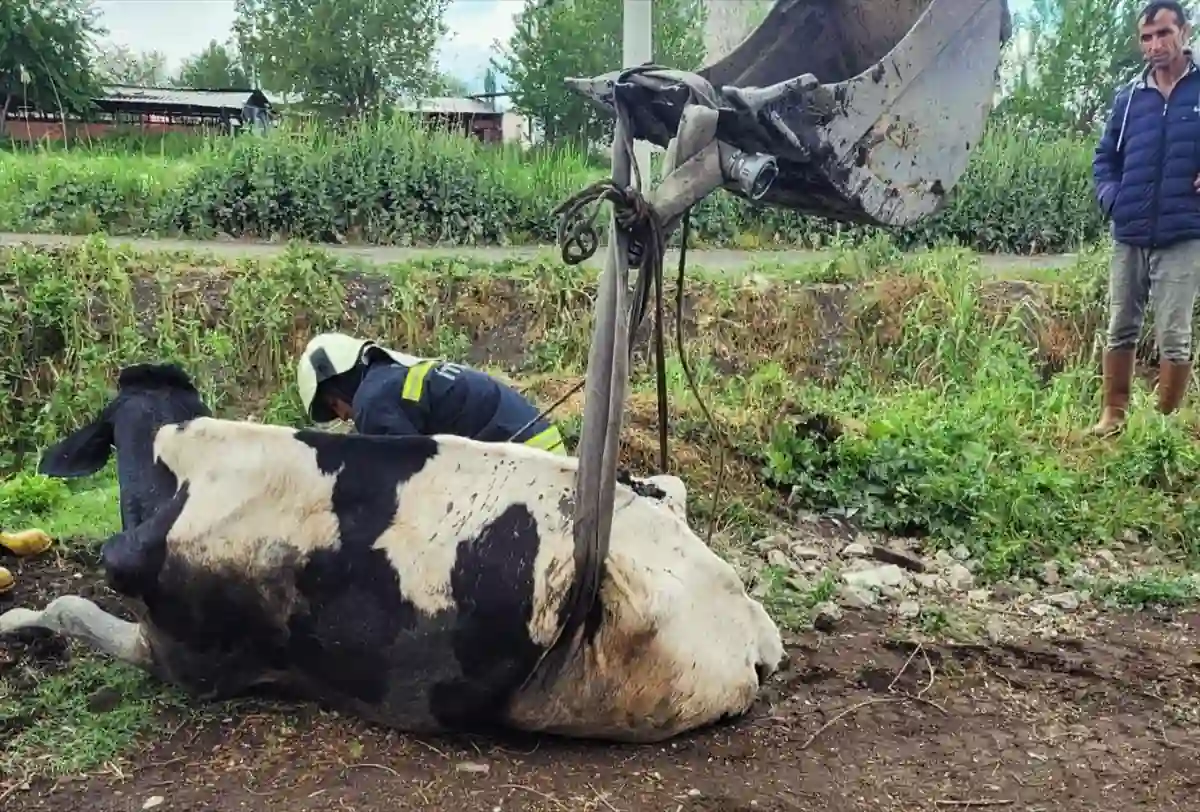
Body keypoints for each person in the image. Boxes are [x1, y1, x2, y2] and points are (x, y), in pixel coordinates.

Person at [1090, 0, 1200, 437]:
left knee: (1174, 334)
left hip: (1182, 232)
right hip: (1130, 231)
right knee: (1120, 327)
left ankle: (1161, 429)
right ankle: (1112, 417)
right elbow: (1104, 159)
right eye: (1147, 37)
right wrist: (1113, 200)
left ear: (1184, 32)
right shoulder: (1129, 98)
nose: (1155, 45)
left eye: (1163, 34)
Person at [295, 332, 568, 455]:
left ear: (343, 381)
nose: (342, 416)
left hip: (531, 460)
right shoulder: (390, 378)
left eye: (334, 404)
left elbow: (407, 476)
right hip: (539, 445)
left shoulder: (373, 401)